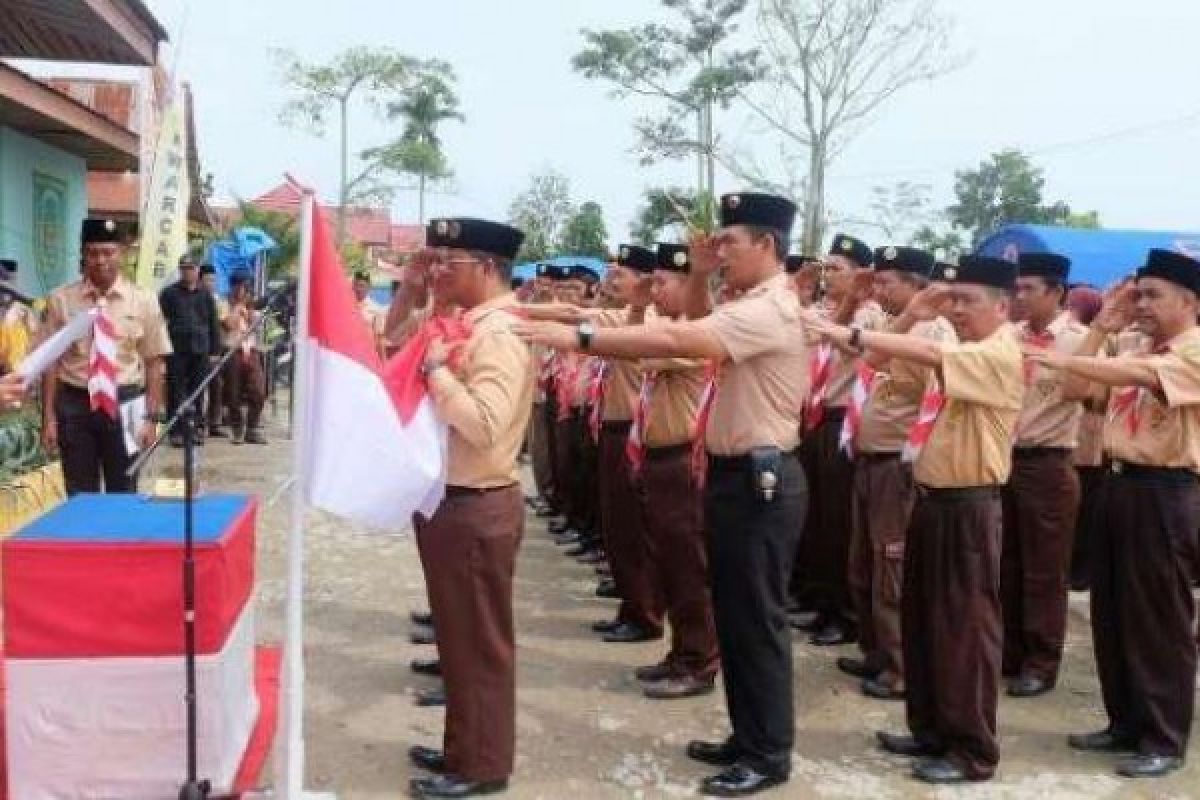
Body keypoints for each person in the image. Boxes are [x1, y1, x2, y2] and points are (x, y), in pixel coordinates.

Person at [518, 192, 808, 797]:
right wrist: (701, 274)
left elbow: (679, 341)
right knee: (734, 615)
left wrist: (581, 338)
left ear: (769, 246)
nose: (720, 251)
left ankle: (768, 753)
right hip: (734, 473)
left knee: (757, 621)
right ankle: (747, 735)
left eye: (730, 242)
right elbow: (691, 324)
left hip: (762, 478)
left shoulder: (771, 310)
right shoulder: (744, 301)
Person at [804, 255, 1023, 784]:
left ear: (1002, 306)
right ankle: (931, 729)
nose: (958, 310)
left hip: (968, 506)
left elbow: (924, 350)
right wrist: (911, 313)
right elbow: (879, 363)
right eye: (953, 300)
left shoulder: (997, 353)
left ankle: (972, 749)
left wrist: (839, 328)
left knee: (964, 631)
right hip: (931, 499)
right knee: (925, 624)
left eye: (968, 301)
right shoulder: (963, 349)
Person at [1029, 248, 1200, 779]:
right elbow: (1081, 391)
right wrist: (1101, 327)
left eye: (1154, 295)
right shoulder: (1129, 345)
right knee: (1112, 612)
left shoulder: (1192, 350)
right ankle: (1124, 722)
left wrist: (1069, 356)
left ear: (1191, 302)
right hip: (1119, 483)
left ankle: (1163, 737)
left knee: (1158, 621)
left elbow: (1143, 376)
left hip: (1167, 491)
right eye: (1138, 293)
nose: (1141, 304)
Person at [406, 217, 533, 800]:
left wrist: (436, 374)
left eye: (448, 263)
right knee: (457, 641)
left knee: (479, 644)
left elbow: (483, 424)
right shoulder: (465, 324)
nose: (439, 271)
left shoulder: (500, 335)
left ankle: (482, 765)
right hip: (452, 501)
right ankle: (463, 748)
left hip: (478, 503)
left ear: (485, 267)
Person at [840, 245, 955, 701]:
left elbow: (937, 402)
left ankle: (902, 666)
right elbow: (870, 365)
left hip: (897, 464)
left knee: (892, 567)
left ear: (914, 285)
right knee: (863, 564)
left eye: (890, 282)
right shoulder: (897, 326)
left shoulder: (936, 330)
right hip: (871, 459)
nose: (880, 288)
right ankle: (876, 651)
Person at [631, 242, 720, 698]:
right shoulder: (670, 329)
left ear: (689, 286)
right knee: (669, 565)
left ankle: (698, 661)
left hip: (683, 460)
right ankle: (682, 652)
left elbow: (639, 353)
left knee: (689, 569)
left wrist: (637, 308)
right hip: (661, 459)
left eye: (663, 283)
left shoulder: (693, 335)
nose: (655, 290)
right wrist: (639, 303)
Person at [1001, 252, 1088, 698]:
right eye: (1017, 289)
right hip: (1006, 458)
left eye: (1029, 289)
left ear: (1056, 292)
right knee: (1007, 562)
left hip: (1048, 462)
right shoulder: (1008, 336)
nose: (1020, 297)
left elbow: (1084, 392)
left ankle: (1041, 660)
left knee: (1044, 570)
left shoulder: (1079, 341)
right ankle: (1010, 651)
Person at [793, 233, 885, 646]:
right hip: (813, 415)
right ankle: (819, 599)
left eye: (838, 269)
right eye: (826, 268)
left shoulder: (870, 316)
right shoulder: (820, 310)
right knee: (816, 518)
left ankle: (844, 614)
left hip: (843, 421)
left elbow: (843, 341)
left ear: (861, 275)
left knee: (839, 522)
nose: (828, 276)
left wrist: (845, 305)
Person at [41, 218, 170, 494]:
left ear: (121, 254)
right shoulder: (60, 300)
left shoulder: (144, 300)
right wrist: (49, 418)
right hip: (75, 404)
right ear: (83, 255)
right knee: (79, 494)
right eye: (93, 253)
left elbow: (154, 362)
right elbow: (50, 364)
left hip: (126, 401)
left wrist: (151, 417)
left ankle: (119, 538)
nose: (100, 260)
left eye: (108, 252)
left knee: (124, 490)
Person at [159, 256, 222, 446]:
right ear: (180, 270)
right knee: (176, 390)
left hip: (200, 349)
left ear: (197, 271)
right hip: (176, 349)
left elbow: (213, 324)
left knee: (198, 391)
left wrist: (215, 351)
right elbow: (159, 322)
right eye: (184, 268)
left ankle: (196, 429)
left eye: (191, 268)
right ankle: (176, 431)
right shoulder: (169, 294)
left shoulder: (206, 295)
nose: (188, 272)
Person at [223, 276, 267, 445]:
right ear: (233, 288)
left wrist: (251, 309)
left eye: (245, 287)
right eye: (239, 287)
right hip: (232, 351)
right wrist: (238, 306)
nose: (242, 291)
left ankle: (252, 428)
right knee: (233, 393)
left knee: (258, 389)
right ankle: (237, 428)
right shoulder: (224, 304)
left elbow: (256, 325)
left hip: (252, 350)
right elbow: (228, 324)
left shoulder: (251, 308)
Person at [200, 264, 230, 437]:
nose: (211, 283)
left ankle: (214, 423)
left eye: (213, 280)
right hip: (197, 350)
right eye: (208, 279)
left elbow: (227, 324)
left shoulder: (219, 300)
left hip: (214, 350)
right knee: (198, 388)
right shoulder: (196, 298)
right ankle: (198, 423)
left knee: (216, 385)